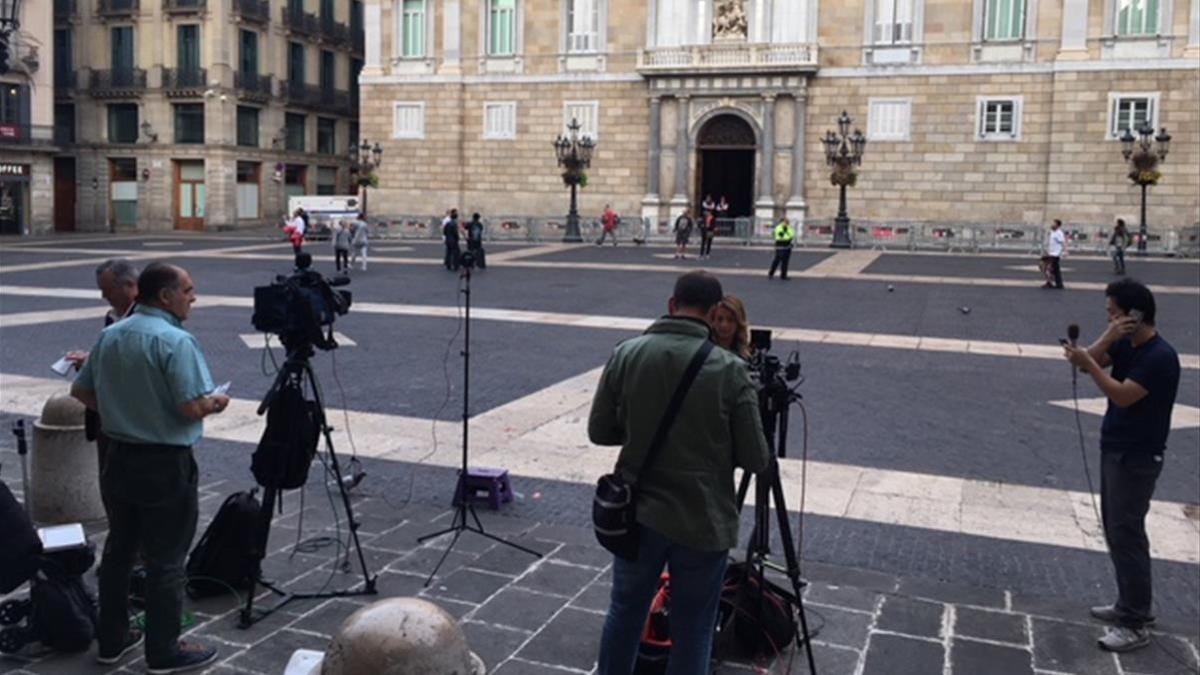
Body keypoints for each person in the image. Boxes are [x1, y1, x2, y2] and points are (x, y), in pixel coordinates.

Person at [589, 271, 771, 675]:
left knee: (624, 614)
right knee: (694, 628)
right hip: (702, 520)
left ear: (672, 306)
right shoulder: (730, 369)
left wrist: (638, 430)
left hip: (638, 513)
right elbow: (757, 459)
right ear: (712, 314)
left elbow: (600, 431)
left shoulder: (627, 353)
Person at [70, 263, 229, 674]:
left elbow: (81, 390)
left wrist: (125, 413)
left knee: (120, 550)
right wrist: (216, 402)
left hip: (118, 457)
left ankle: (112, 639)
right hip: (163, 464)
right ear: (165, 296)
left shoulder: (111, 334)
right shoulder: (177, 341)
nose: (194, 297)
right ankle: (163, 652)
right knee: (166, 558)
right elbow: (191, 406)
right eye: (189, 290)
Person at [1062, 278, 1180, 653]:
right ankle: (1127, 605)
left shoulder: (1160, 357)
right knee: (1115, 530)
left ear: (1135, 315)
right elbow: (1089, 363)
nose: (1109, 318)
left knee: (1127, 534)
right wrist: (1107, 337)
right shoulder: (1126, 344)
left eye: (1114, 313)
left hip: (1138, 456)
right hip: (1114, 448)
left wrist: (1089, 364)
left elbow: (1123, 395)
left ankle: (1135, 622)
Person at [65, 259, 140, 472]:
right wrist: (90, 359)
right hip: (106, 418)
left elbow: (134, 364)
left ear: (129, 286)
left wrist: (92, 363)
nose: (104, 296)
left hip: (127, 421)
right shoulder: (113, 316)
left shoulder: (144, 319)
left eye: (108, 290)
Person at [713, 295, 751, 360]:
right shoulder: (706, 352)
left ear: (739, 323)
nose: (724, 325)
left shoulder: (745, 356)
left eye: (730, 320)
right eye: (720, 319)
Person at [1042, 218, 1067, 289]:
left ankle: (1050, 283)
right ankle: (1059, 284)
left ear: (1057, 225)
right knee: (1054, 270)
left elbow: (1063, 242)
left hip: (1055, 254)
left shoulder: (1059, 233)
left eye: (1054, 223)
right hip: (1051, 253)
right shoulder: (1052, 232)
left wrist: (1065, 251)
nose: (1052, 224)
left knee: (1048, 268)